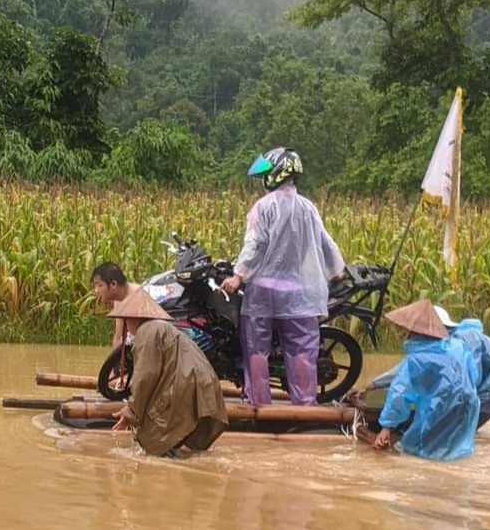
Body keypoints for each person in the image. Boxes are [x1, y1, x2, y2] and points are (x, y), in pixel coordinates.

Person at [220, 147, 345, 406]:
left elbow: (255, 245)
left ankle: (259, 404)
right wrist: (336, 271)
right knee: (302, 351)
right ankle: (304, 407)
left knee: (256, 349)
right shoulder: (308, 208)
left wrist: (238, 276)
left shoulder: (263, 207)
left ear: (276, 174)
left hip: (263, 294)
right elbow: (325, 242)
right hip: (299, 294)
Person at [352, 305, 490, 429]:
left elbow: (468, 379)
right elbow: (407, 369)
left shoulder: (461, 341)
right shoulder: (441, 346)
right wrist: (371, 385)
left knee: (462, 422)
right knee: (459, 421)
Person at [110, 289, 228, 456]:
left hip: (186, 388)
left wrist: (131, 412)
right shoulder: (161, 328)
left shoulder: (147, 332)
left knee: (155, 441)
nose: (127, 328)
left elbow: (145, 376)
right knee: (179, 449)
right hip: (202, 389)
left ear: (133, 318)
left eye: (126, 320)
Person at [373, 300, 480, 461]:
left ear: (414, 331)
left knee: (417, 450)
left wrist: (386, 427)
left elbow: (399, 394)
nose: (404, 331)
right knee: (456, 450)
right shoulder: (459, 347)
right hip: (469, 405)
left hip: (440, 406)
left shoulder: (416, 359)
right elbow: (474, 375)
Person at [91, 262, 139, 349]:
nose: (96, 291)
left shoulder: (138, 295)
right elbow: (118, 336)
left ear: (113, 284)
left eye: (99, 285)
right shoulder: (118, 300)